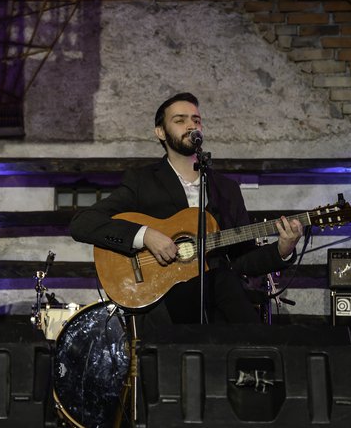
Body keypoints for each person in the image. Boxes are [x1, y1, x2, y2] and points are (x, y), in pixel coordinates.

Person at [69, 92, 303, 327]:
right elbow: (83, 223)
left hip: (218, 300)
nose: (191, 125)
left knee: (224, 280)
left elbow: (244, 260)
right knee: (223, 282)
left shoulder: (226, 189)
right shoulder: (142, 182)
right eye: (180, 120)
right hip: (163, 299)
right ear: (160, 132)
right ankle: (261, 355)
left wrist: (282, 250)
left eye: (196, 120)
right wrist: (145, 236)